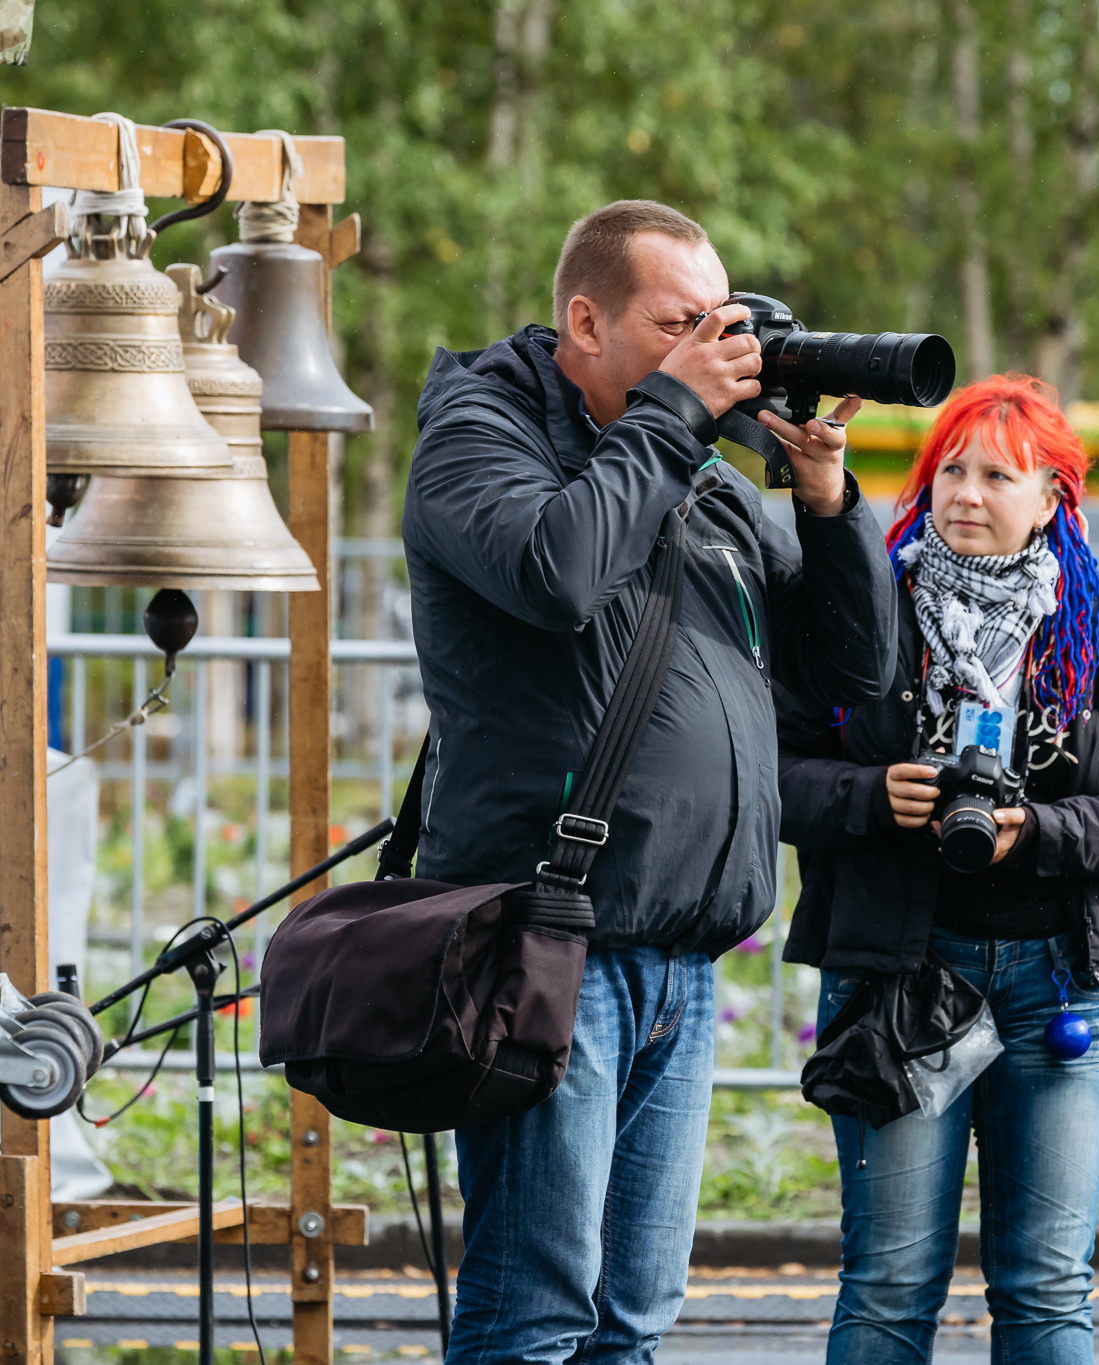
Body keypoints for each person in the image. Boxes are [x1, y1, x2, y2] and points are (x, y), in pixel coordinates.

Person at [400, 200, 895, 1362]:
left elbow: (853, 671)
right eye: (680, 324)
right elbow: (556, 572)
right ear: (586, 322)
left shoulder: (699, 474)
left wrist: (823, 499)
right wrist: (674, 413)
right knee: (536, 1313)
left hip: (679, 956)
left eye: (720, 322)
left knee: (632, 1318)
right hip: (551, 944)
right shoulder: (480, 436)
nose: (712, 348)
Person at [774, 375, 1099, 1364]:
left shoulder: (1092, 627)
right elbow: (768, 772)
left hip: (1055, 987)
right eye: (949, 471)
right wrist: (868, 796)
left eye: (998, 476)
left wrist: (1037, 831)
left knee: (1048, 1293)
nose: (965, 494)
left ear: (1051, 498)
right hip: (895, 983)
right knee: (887, 1289)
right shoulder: (862, 609)